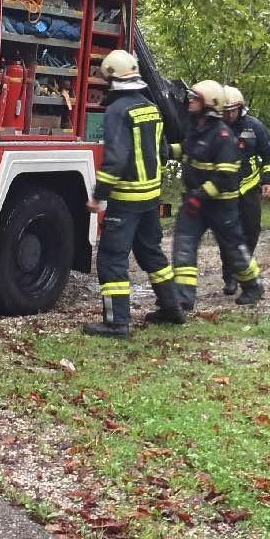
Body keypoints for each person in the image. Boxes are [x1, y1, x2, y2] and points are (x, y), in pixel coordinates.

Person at [83, 49, 176, 339]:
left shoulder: (116, 110)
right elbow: (162, 151)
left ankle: (117, 323)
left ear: (111, 77)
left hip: (126, 199)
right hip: (150, 197)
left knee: (112, 258)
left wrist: (99, 194)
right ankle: (173, 309)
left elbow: (117, 158)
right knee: (151, 253)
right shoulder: (150, 107)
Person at [169, 81, 263, 313]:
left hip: (221, 205)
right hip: (195, 203)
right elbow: (189, 149)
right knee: (183, 246)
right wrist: (168, 151)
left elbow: (225, 177)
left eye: (195, 98)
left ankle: (253, 285)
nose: (190, 101)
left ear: (209, 103)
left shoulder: (223, 136)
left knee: (233, 248)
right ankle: (183, 298)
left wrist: (200, 195)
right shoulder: (195, 127)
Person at [222, 86, 270, 293]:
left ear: (240, 108)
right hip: (225, 191)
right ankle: (230, 276)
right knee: (228, 234)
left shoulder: (254, 127)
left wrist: (269, 181)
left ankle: (241, 269)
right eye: (224, 111)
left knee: (251, 231)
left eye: (232, 110)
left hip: (250, 189)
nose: (228, 115)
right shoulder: (215, 128)